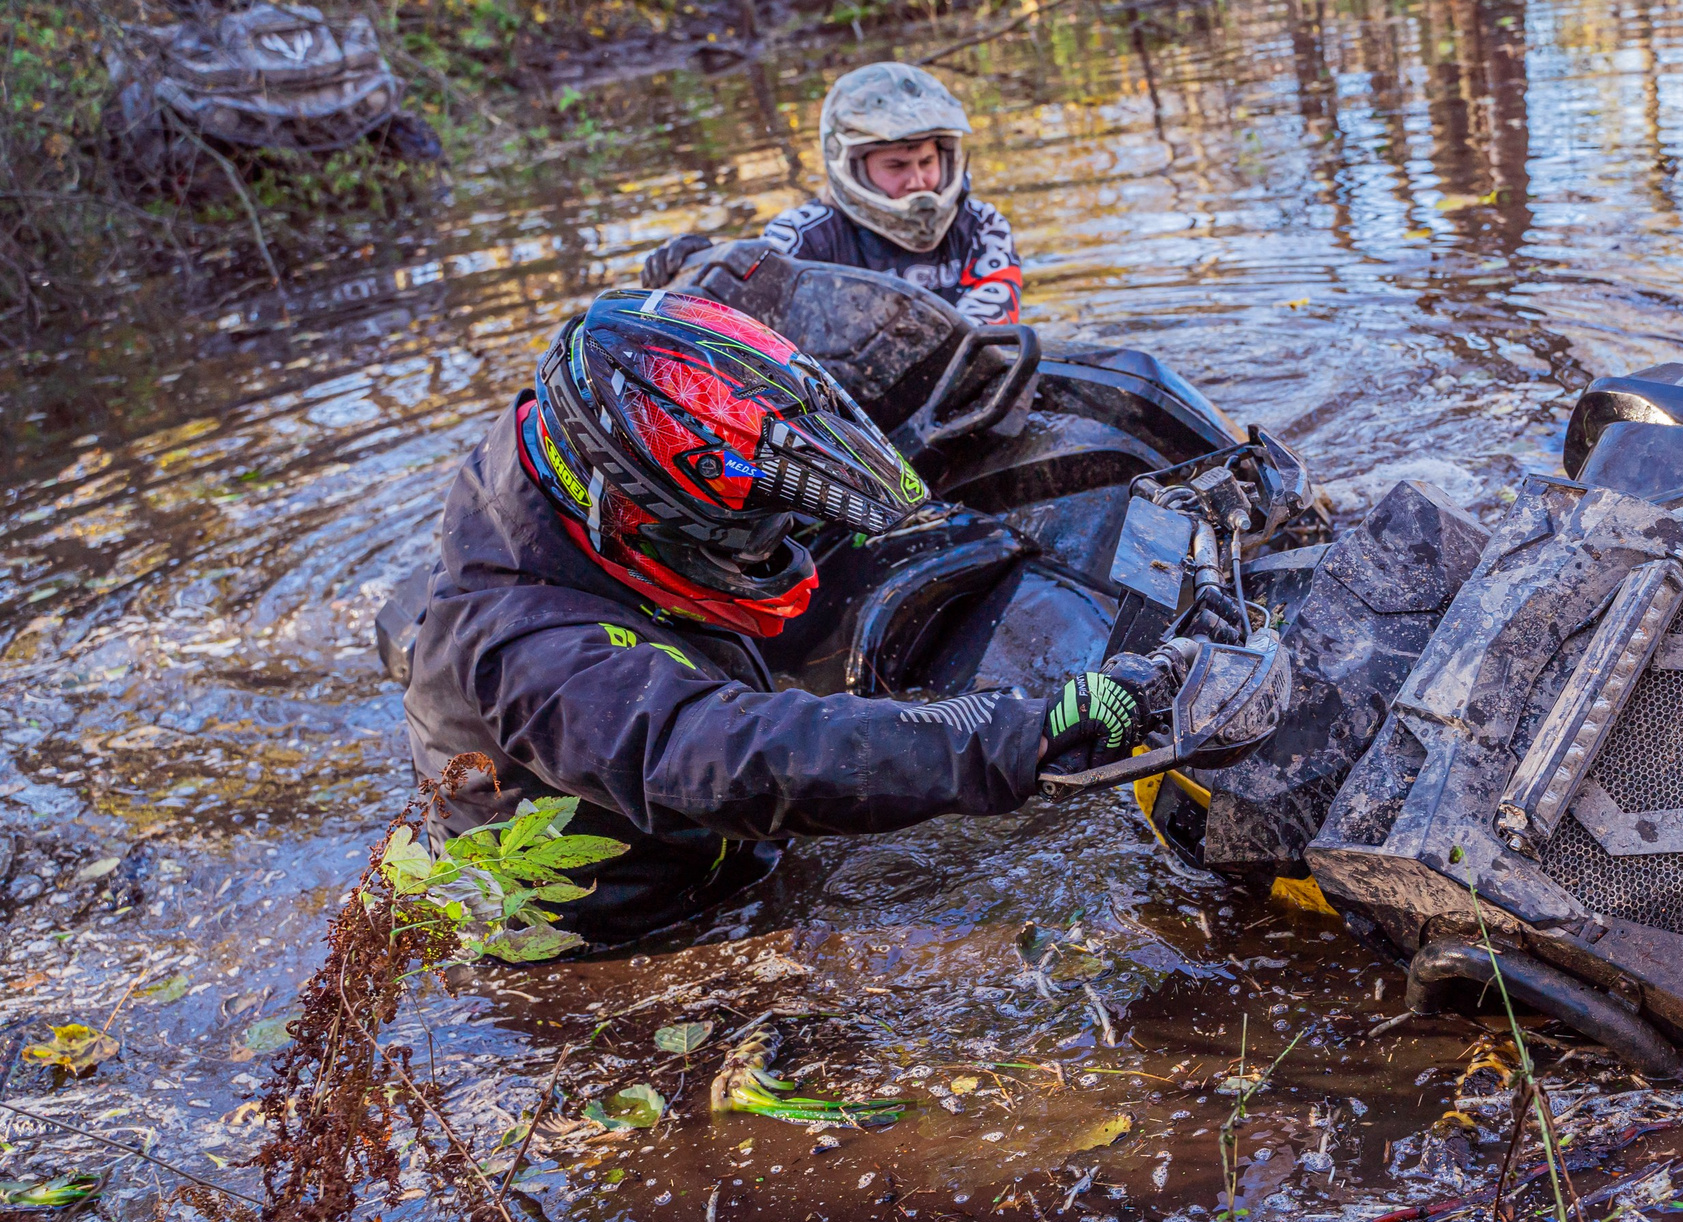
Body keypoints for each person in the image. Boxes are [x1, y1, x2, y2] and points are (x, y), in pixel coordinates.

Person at [399, 287, 1141, 943]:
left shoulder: (572, 441)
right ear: (625, 511)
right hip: (624, 941)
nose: (772, 542)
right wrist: (1014, 732)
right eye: (745, 528)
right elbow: (724, 752)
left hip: (704, 858)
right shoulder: (527, 650)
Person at [640, 62, 1022, 326]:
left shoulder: (982, 228)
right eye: (896, 167)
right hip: (842, 414)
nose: (918, 181)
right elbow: (742, 297)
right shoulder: (805, 235)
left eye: (926, 162)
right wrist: (696, 270)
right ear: (853, 166)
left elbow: (987, 338)